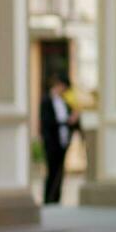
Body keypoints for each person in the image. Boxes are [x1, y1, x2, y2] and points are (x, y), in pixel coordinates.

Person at [38, 73, 78, 205]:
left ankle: (56, 199)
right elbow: (47, 122)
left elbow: (73, 121)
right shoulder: (46, 101)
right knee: (52, 171)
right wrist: (67, 121)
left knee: (60, 172)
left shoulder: (65, 102)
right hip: (51, 142)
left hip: (63, 142)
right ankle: (48, 199)